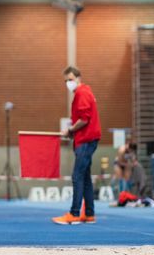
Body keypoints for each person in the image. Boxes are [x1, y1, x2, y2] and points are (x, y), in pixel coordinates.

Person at [53, 66, 101, 225]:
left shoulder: (82, 93)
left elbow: (85, 119)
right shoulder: (84, 92)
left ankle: (74, 213)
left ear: (79, 78)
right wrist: (73, 132)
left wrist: (70, 129)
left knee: (77, 176)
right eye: (66, 81)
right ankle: (89, 214)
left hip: (86, 140)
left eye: (71, 79)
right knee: (85, 177)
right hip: (85, 139)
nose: (68, 83)